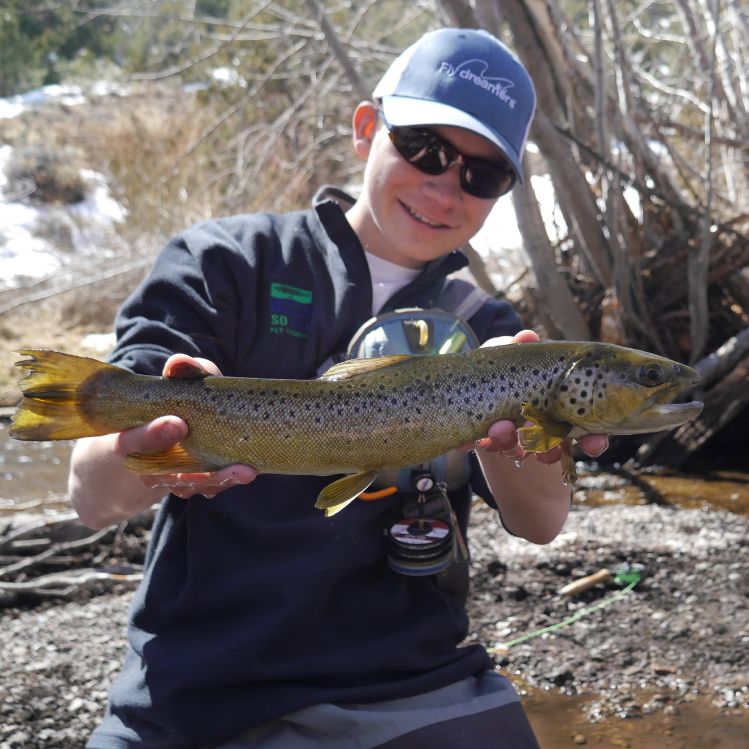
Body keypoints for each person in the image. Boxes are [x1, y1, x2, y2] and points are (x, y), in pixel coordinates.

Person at [71, 28, 608, 749]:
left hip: (413, 686)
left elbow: (540, 523)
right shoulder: (225, 264)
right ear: (366, 129)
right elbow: (91, 496)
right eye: (425, 148)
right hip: (194, 691)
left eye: (481, 175)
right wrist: (142, 452)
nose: (444, 187)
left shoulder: (488, 333)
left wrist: (522, 440)